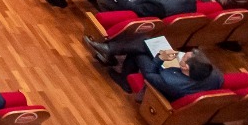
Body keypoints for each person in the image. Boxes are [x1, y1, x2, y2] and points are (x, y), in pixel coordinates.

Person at [84, 37, 222, 100]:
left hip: (161, 87)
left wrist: (160, 58)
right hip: (180, 79)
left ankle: (123, 79)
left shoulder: (170, 81)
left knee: (140, 51)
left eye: (184, 57)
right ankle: (109, 50)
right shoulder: (215, 75)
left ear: (186, 67)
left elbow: (150, 75)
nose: (182, 55)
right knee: (145, 42)